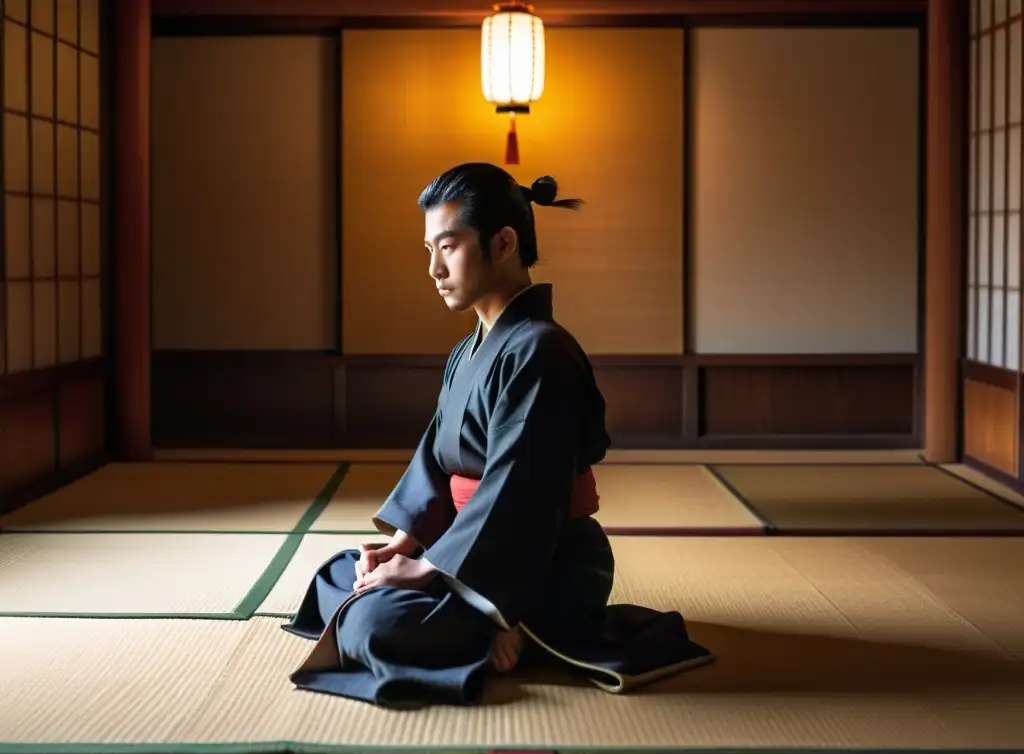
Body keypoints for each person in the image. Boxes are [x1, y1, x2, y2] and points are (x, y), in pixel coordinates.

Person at [282, 162, 714, 709]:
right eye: (428, 250)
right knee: (340, 575)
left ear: (504, 243)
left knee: (375, 623)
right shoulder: (471, 349)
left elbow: (522, 489)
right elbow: (436, 460)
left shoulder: (541, 351)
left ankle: (506, 624)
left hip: (545, 563)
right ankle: (478, 622)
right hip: (474, 549)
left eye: (449, 246)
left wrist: (429, 570)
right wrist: (404, 545)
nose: (434, 268)